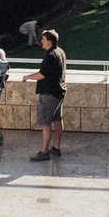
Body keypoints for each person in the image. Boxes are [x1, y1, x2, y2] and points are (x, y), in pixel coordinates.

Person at [20, 29, 66, 160]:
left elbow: (42, 74)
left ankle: (44, 152)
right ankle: (56, 148)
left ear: (49, 41)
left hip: (49, 94)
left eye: (43, 40)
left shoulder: (50, 55)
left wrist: (27, 77)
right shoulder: (60, 51)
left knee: (46, 124)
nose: (41, 42)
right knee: (57, 120)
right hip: (59, 92)